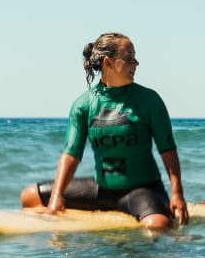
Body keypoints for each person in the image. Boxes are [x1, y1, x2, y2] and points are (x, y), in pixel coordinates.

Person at [20, 32, 188, 230]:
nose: (136, 63)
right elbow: (71, 154)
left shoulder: (149, 100)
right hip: (101, 190)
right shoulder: (84, 104)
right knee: (30, 195)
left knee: (156, 226)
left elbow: (167, 150)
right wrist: (56, 197)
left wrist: (177, 194)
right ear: (108, 63)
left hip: (142, 189)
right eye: (129, 57)